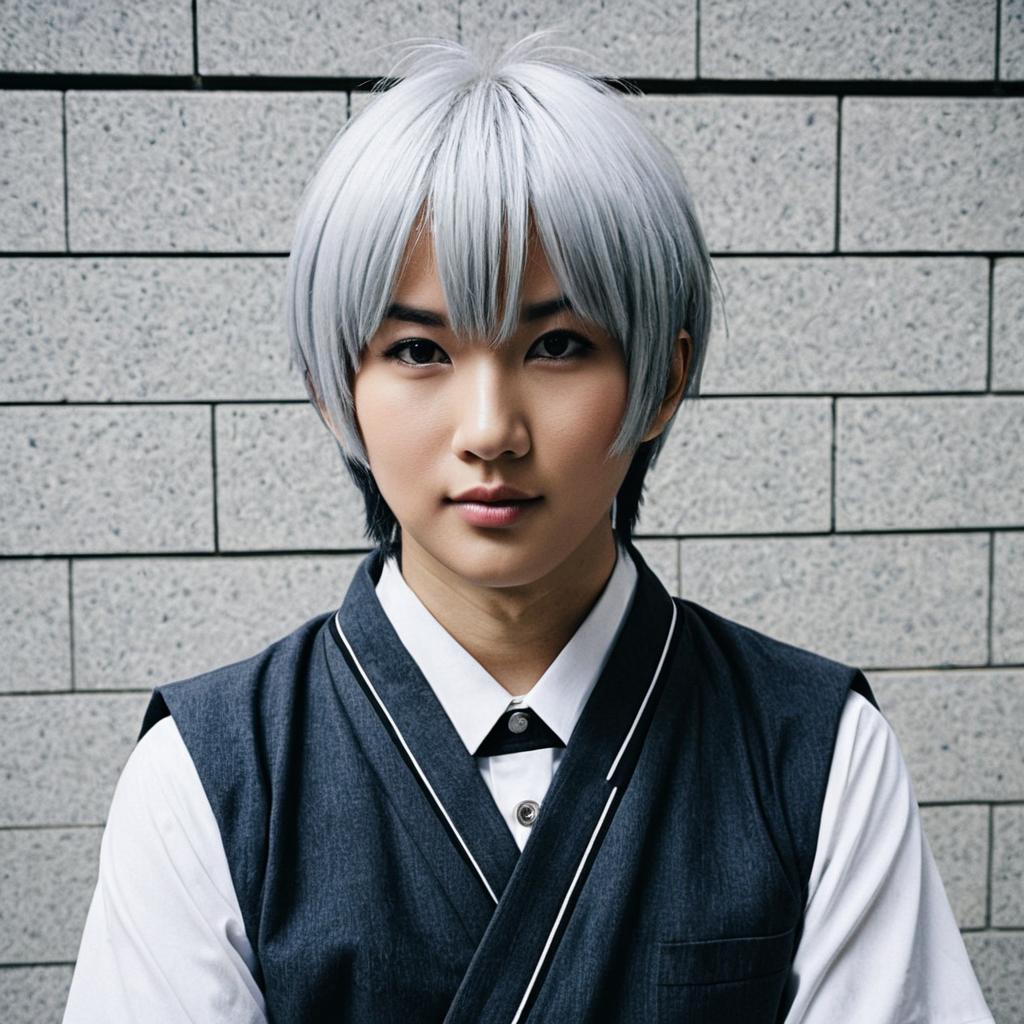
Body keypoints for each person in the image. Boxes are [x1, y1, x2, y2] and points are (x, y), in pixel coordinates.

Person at [64, 33, 993, 1023]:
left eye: (556, 344)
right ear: (336, 387)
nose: (490, 431)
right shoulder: (208, 775)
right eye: (418, 350)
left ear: (662, 379)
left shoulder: (818, 751)